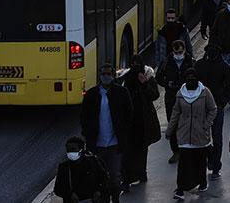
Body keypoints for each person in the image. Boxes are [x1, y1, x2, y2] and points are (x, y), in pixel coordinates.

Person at [80, 63, 132, 202]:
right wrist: (87, 134)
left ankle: (115, 198)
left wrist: (124, 133)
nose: (106, 77)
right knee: (99, 177)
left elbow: (129, 114)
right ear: (100, 76)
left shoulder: (121, 93)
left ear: (113, 75)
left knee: (114, 176)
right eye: (104, 74)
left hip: (115, 144)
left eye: (109, 74)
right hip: (97, 145)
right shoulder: (91, 95)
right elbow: (84, 117)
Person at [164, 68, 217, 200]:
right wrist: (170, 130)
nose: (191, 80)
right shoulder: (180, 94)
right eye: (188, 77)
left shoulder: (205, 92)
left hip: (200, 136)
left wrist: (205, 125)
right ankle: (180, 189)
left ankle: (202, 182)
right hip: (184, 135)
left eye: (193, 77)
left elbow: (213, 109)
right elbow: (175, 114)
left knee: (200, 162)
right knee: (183, 165)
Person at [119, 57, 161, 187]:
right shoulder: (126, 78)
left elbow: (154, 95)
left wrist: (144, 84)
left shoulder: (148, 76)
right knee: (129, 150)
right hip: (130, 120)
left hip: (144, 120)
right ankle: (128, 177)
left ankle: (141, 173)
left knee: (142, 149)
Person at [195, 43, 230, 179]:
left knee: (202, 138)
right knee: (217, 137)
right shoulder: (224, 66)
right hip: (217, 106)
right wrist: (223, 101)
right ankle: (215, 166)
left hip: (204, 107)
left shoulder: (199, 65)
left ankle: (208, 164)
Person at [157, 39, 195, 164]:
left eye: (180, 52)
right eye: (176, 52)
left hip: (187, 97)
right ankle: (176, 151)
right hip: (171, 98)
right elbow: (159, 77)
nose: (178, 55)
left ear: (184, 50)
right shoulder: (166, 62)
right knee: (173, 124)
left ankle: (186, 151)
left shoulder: (191, 62)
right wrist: (167, 83)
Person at [53, 136, 114, 203]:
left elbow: (105, 180)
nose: (70, 152)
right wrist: (70, 195)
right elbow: (58, 189)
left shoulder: (93, 162)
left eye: (73, 149)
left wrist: (99, 191)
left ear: (81, 150)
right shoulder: (64, 167)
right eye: (68, 150)